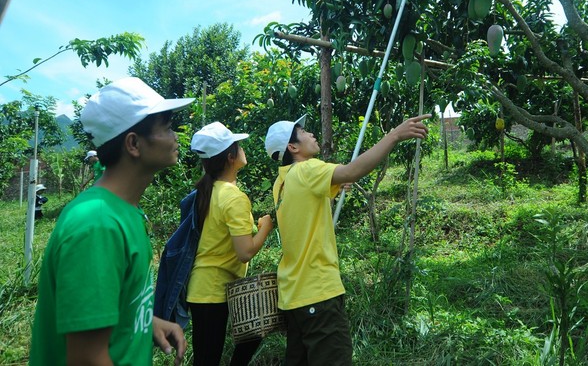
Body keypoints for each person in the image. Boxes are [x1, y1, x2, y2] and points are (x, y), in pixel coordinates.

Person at [29, 77, 191, 366]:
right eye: (166, 128)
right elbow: (87, 359)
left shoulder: (123, 211)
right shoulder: (98, 225)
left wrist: (146, 323)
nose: (175, 136)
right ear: (133, 144)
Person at [264, 113, 430, 365]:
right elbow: (354, 170)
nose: (311, 134)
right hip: (317, 293)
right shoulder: (307, 169)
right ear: (292, 147)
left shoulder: (282, 182)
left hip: (293, 296)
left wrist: (335, 186)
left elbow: (307, 209)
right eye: (303, 132)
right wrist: (394, 135)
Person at [186, 121, 274, 366]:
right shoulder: (233, 196)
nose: (242, 149)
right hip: (213, 289)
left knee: (210, 354)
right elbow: (245, 252)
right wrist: (266, 228)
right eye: (239, 145)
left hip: (206, 287)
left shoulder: (207, 191)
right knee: (208, 359)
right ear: (231, 156)